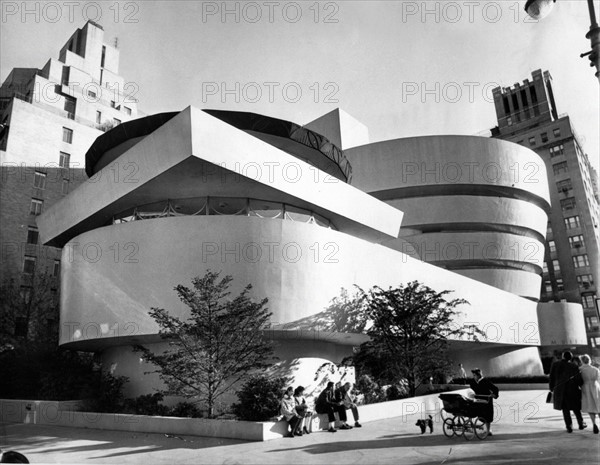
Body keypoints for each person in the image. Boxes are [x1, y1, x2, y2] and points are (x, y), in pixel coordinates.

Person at [549, 350, 586, 433]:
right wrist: (581, 385)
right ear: (571, 358)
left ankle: (569, 426)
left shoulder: (555, 365)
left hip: (560, 391)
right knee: (576, 408)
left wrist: (551, 388)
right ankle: (581, 423)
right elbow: (579, 379)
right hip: (572, 390)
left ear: (563, 357)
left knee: (565, 409)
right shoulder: (573, 366)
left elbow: (551, 378)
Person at [468, 368, 499, 435]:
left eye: (475, 375)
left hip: (486, 400)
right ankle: (470, 425)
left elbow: (495, 388)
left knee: (487, 416)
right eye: (473, 375)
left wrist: (494, 395)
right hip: (478, 400)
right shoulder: (473, 382)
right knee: (479, 414)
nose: (474, 377)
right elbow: (470, 390)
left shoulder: (486, 381)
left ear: (479, 375)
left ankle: (488, 430)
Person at [579, 354, 600, 434]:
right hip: (595, 387)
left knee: (590, 406)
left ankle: (594, 424)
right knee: (598, 406)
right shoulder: (595, 369)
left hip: (585, 388)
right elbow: (599, 379)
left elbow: (579, 380)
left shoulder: (580, 369)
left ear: (581, 361)